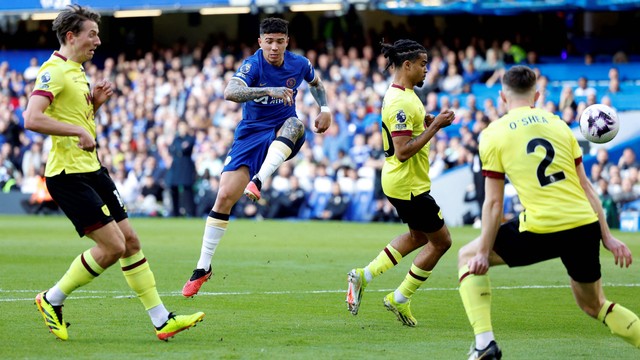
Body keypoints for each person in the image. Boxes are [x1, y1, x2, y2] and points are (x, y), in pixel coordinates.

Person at [23, 5, 204, 341]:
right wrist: (77, 133)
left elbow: (76, 118)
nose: (98, 40)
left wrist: (94, 105)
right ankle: (51, 299)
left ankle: (162, 320)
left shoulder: (77, 71)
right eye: (92, 34)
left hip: (93, 170)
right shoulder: (54, 71)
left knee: (131, 241)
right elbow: (32, 118)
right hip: (67, 176)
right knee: (113, 248)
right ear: (71, 36)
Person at [457, 66, 639, 359]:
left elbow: (492, 204)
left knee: (467, 256)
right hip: (583, 225)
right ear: (537, 95)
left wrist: (483, 251)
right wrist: (608, 237)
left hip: (541, 229)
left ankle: (484, 344)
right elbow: (587, 187)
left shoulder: (494, 133)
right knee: (596, 306)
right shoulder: (559, 125)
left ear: (502, 96)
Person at [182, 17, 332, 297]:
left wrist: (325, 107)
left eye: (279, 41)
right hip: (251, 134)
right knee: (225, 197)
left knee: (296, 123)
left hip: (283, 132)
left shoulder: (299, 63)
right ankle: (203, 267)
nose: (274, 47)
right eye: (269, 41)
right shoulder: (253, 65)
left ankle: (259, 180)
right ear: (260, 41)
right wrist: (267, 89)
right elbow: (230, 91)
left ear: (287, 42)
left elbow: (316, 82)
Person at [345, 39, 455, 327]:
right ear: (407, 65)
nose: (426, 70)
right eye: (422, 64)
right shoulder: (401, 102)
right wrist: (435, 126)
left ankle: (363, 275)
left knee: (419, 236)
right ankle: (400, 297)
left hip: (402, 181)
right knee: (442, 241)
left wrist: (426, 122)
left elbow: (406, 134)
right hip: (408, 183)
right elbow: (403, 150)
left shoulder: (403, 94)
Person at [167, 120, 196, 217]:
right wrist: (179, 148)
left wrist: (178, 148)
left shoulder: (190, 138)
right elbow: (172, 149)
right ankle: (175, 212)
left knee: (187, 189)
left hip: (186, 166)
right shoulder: (176, 139)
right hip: (176, 167)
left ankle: (190, 212)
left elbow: (183, 149)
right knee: (173, 188)